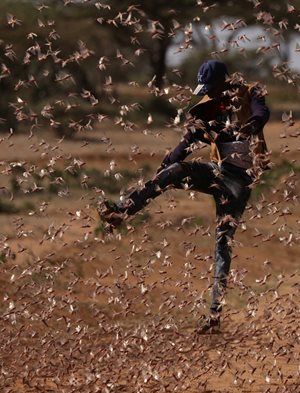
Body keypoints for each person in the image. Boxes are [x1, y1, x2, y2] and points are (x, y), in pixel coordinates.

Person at [97, 60, 271, 334]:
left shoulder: (250, 93)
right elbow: (186, 144)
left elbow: (263, 113)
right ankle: (123, 211)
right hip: (218, 171)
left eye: (212, 87)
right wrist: (163, 171)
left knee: (223, 245)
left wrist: (251, 126)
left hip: (240, 182)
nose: (209, 93)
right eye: (206, 89)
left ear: (224, 81)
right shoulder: (206, 109)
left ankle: (214, 317)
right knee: (176, 169)